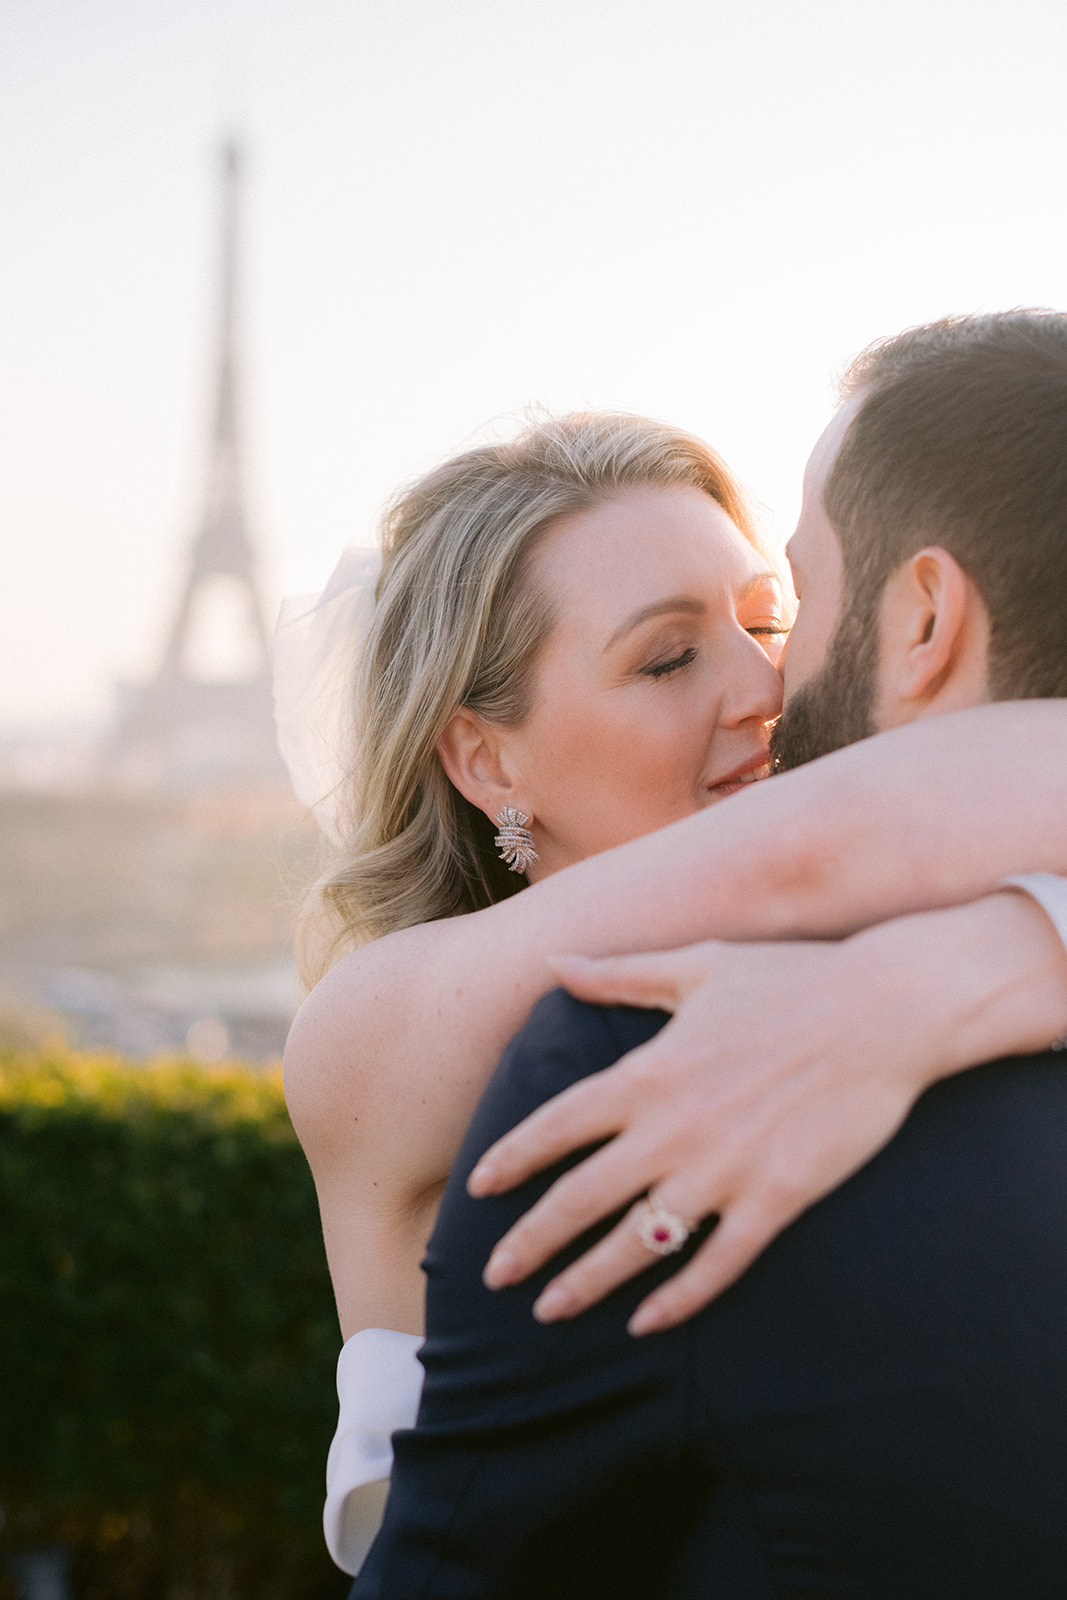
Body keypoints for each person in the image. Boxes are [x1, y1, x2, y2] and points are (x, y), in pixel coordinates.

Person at [347, 311, 1067, 1597]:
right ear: (486, 759)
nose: (764, 686)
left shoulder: (857, 971)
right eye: (669, 656)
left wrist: (967, 968)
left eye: (769, 616)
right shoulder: (399, 1026)